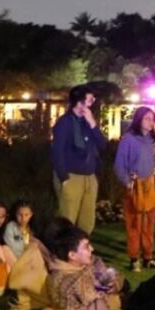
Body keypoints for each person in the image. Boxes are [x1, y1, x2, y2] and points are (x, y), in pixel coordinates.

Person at [51, 85, 108, 233]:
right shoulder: (65, 122)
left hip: (89, 176)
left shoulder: (88, 123)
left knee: (87, 221)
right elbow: (57, 151)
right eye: (90, 99)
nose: (93, 102)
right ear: (80, 102)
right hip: (72, 176)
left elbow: (102, 144)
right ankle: (64, 252)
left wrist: (93, 124)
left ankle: (83, 250)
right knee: (68, 219)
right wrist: (64, 177)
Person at [115, 106, 155, 272]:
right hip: (135, 186)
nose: (151, 122)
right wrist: (127, 182)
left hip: (153, 186)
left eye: (153, 119)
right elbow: (119, 164)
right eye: (147, 118)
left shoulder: (154, 140)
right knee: (134, 223)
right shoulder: (129, 139)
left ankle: (148, 257)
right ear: (139, 119)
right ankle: (134, 258)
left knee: (149, 224)